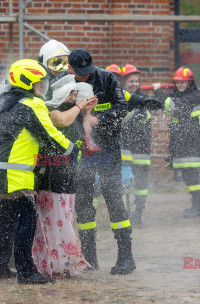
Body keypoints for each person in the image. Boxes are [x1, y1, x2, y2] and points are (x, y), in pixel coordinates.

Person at [0, 59, 78, 285]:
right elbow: (50, 136)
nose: (42, 88)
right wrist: (71, 149)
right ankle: (27, 271)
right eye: (39, 84)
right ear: (28, 83)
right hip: (16, 174)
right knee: (26, 220)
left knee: (1, 220)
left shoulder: (4, 102)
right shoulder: (32, 104)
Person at [61, 49, 136, 275]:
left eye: (87, 71)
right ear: (70, 68)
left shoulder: (107, 79)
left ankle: (126, 256)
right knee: (83, 204)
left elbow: (122, 108)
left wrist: (97, 119)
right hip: (80, 151)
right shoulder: (64, 83)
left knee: (113, 198)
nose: (84, 76)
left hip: (108, 150)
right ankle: (89, 258)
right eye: (79, 72)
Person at [33, 74, 99, 278]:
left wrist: (86, 113)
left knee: (64, 221)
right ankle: (59, 264)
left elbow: (84, 137)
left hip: (70, 175)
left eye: (76, 93)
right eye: (71, 93)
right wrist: (80, 107)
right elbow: (60, 121)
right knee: (53, 223)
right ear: (62, 94)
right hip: (52, 175)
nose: (75, 96)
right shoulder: (51, 110)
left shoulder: (76, 113)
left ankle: (63, 264)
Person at [153, 67, 200, 218]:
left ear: (190, 83)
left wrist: (158, 92)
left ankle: (199, 207)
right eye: (177, 82)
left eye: (183, 82)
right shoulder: (181, 96)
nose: (180, 85)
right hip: (184, 143)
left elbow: (171, 107)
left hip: (192, 144)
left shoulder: (193, 97)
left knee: (192, 176)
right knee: (189, 176)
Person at [120, 64, 153, 227]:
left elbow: (144, 117)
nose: (134, 84)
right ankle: (125, 214)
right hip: (125, 149)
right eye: (131, 81)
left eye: (136, 81)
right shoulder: (120, 98)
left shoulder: (143, 98)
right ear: (124, 82)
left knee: (141, 185)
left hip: (141, 149)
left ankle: (138, 214)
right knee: (125, 184)